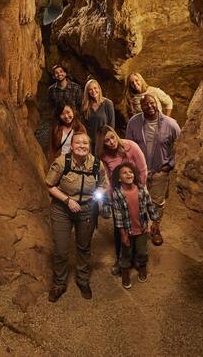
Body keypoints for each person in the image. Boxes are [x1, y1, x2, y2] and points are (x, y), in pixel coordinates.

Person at [44, 130, 108, 302]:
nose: (82, 146)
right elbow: (49, 185)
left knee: (84, 247)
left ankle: (83, 280)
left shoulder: (96, 165)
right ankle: (59, 284)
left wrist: (97, 196)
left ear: (90, 146)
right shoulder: (62, 162)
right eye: (78, 143)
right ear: (71, 146)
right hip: (62, 209)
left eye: (85, 143)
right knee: (61, 249)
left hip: (86, 209)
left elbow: (104, 185)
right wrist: (67, 200)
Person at [124, 93, 180, 246]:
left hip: (159, 171)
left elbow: (181, 145)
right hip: (138, 172)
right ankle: (138, 229)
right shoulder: (133, 123)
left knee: (157, 202)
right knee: (137, 200)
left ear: (156, 103)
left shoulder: (170, 124)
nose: (149, 106)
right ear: (140, 107)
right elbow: (128, 147)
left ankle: (155, 229)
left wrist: (170, 164)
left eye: (151, 103)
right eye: (145, 104)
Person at [95, 125, 147, 274]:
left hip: (137, 192)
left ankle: (138, 258)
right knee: (120, 229)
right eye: (107, 141)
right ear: (102, 143)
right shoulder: (104, 156)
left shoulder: (131, 147)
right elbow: (109, 178)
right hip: (118, 196)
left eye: (112, 137)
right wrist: (109, 197)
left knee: (138, 227)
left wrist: (139, 192)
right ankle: (121, 260)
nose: (111, 142)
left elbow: (143, 171)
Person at [111, 162, 157, 289]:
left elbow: (150, 205)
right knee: (125, 253)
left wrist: (154, 221)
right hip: (127, 231)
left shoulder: (141, 189)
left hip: (141, 229)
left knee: (142, 251)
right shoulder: (117, 194)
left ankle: (142, 268)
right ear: (119, 178)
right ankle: (125, 273)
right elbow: (118, 217)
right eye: (124, 172)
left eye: (130, 172)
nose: (129, 174)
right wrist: (123, 234)